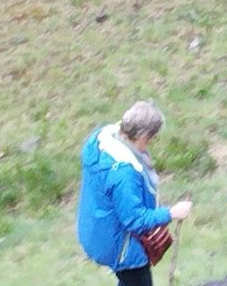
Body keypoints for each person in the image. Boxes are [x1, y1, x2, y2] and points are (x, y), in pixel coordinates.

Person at [77, 101, 194, 286]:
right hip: (121, 247)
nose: (151, 143)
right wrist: (172, 213)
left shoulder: (102, 140)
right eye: (151, 138)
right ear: (143, 136)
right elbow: (135, 220)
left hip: (98, 231)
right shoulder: (124, 172)